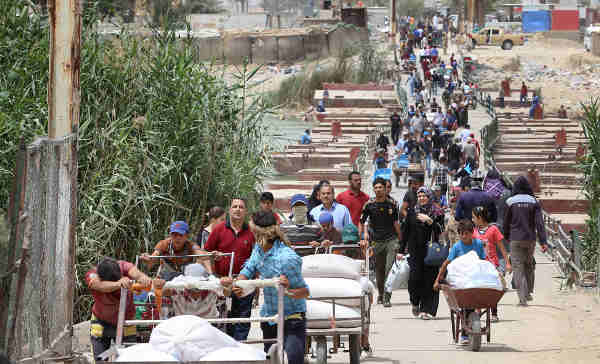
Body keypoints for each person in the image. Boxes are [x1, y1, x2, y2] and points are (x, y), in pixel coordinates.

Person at [222, 211, 309, 364]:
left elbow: (304, 292)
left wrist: (287, 288)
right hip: (269, 318)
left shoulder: (287, 258)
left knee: (295, 360)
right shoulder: (259, 249)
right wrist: (238, 283)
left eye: (252, 231)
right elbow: (248, 269)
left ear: (259, 234)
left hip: (292, 319)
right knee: (271, 360)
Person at [205, 198, 256, 340]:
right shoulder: (219, 229)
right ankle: (225, 349)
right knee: (223, 318)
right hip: (223, 283)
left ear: (245, 211)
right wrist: (213, 257)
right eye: (235, 206)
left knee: (243, 318)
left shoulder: (251, 232)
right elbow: (205, 253)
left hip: (244, 283)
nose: (238, 209)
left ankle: (240, 351)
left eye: (241, 207)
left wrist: (256, 283)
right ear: (229, 210)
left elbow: (256, 257)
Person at [86, 257, 157, 360]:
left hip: (126, 323)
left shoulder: (122, 266)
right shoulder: (93, 275)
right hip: (101, 324)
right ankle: (111, 352)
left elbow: (135, 272)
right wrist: (119, 284)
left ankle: (115, 351)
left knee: (128, 358)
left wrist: (142, 278)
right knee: (100, 359)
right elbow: (98, 285)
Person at [433, 219, 485, 344]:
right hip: (461, 281)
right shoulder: (457, 246)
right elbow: (446, 263)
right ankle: (464, 333)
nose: (464, 236)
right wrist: (437, 280)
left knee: (472, 303)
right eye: (461, 233)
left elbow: (483, 261)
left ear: (472, 233)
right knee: (465, 305)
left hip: (475, 278)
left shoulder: (478, 244)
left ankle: (470, 324)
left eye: (466, 233)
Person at [399, 187, 444, 319]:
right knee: (414, 279)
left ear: (429, 197)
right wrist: (401, 250)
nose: (422, 198)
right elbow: (405, 231)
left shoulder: (437, 212)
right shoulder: (412, 212)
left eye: (424, 196)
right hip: (415, 251)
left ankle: (427, 310)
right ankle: (415, 302)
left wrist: (430, 221)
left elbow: (441, 229)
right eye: (419, 196)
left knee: (430, 280)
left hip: (431, 251)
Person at [503, 176, 548, 306]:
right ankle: (527, 292)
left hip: (515, 239)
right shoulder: (534, 202)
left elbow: (506, 222)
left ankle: (522, 299)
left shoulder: (510, 202)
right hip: (530, 240)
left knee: (518, 268)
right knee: (528, 265)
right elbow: (540, 224)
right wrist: (543, 242)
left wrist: (506, 237)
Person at [359, 178, 402, 307]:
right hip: (376, 241)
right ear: (373, 189)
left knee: (389, 269)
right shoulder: (369, 204)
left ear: (385, 188)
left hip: (391, 240)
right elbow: (361, 221)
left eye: (380, 187)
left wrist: (401, 241)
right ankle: (381, 294)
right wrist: (362, 236)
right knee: (379, 270)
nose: (378, 190)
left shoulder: (392, 204)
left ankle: (387, 297)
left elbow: (396, 224)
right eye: (376, 187)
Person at [472, 206, 511, 321]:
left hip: (491, 264)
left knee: (492, 288)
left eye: (474, 217)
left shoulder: (493, 230)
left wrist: (507, 263)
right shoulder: (473, 231)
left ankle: (494, 313)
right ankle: (478, 310)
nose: (472, 219)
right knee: (478, 287)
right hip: (478, 264)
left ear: (480, 217)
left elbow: (502, 248)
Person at [141, 221, 214, 280]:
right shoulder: (163, 244)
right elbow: (154, 257)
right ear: (170, 235)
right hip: (166, 276)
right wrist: (147, 258)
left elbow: (201, 254)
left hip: (185, 277)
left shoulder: (191, 245)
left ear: (186, 236)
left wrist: (213, 255)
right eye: (174, 235)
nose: (177, 238)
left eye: (181, 235)